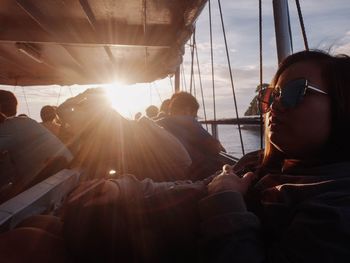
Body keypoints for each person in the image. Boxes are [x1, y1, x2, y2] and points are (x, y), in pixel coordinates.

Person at [198, 50, 350, 262]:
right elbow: (195, 190)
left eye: (296, 92)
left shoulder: (337, 208)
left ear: (343, 104)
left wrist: (225, 201)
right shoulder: (257, 162)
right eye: (272, 96)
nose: (275, 105)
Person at [57, 88, 192, 182]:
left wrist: (82, 94)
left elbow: (62, 109)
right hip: (165, 168)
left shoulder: (87, 118)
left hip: (129, 168)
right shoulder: (115, 117)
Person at [157, 92, 226, 180]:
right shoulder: (188, 121)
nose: (195, 117)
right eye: (194, 114)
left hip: (168, 175)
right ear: (187, 110)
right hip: (191, 175)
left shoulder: (160, 123)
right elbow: (215, 147)